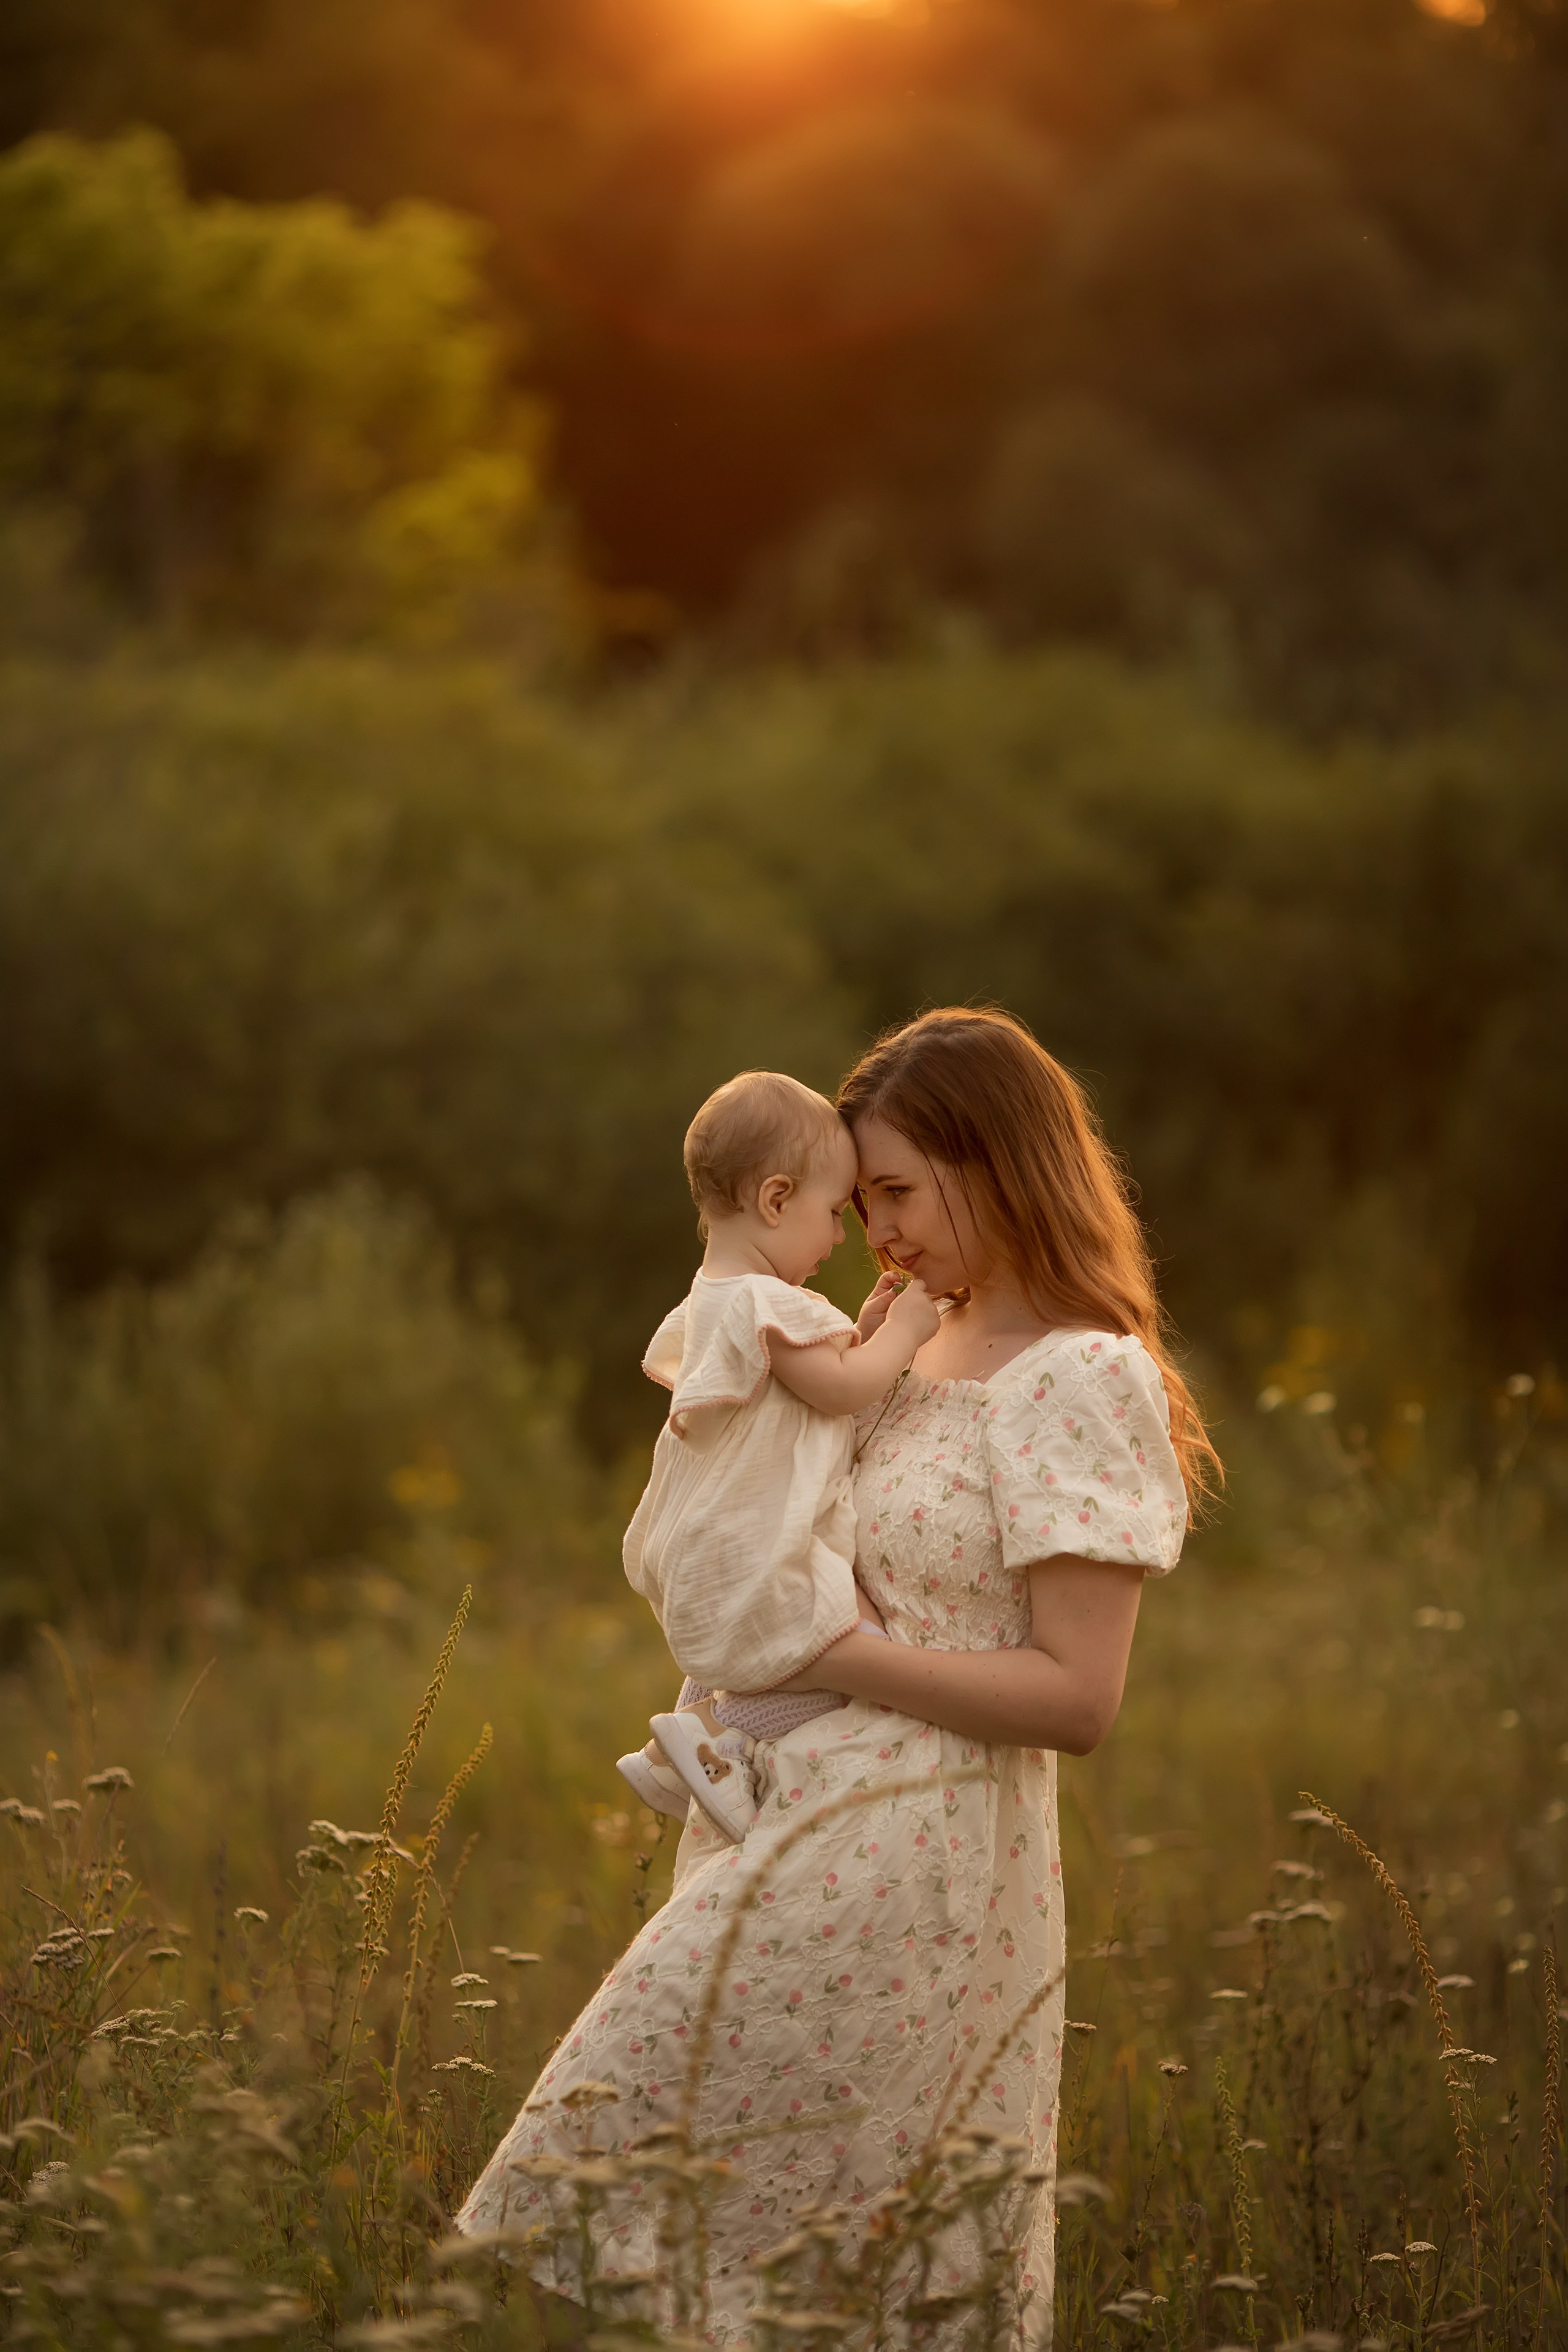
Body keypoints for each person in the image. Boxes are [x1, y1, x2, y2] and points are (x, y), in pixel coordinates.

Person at [456, 1008, 1220, 2349]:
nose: (876, 1231)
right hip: (775, 1821)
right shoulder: (905, 1348)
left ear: (997, 1164)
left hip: (919, 1864)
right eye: (856, 1200)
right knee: (668, 2219)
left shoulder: (1077, 1376)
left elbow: (1077, 1700)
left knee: (832, 2249)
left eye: (897, 1193)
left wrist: (836, 1657)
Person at [614, 1068, 940, 1841]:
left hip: (717, 1531)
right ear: (775, 1200)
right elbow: (838, 1390)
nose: (840, 1234)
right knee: (827, 1647)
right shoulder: (768, 1302)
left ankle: (686, 1734)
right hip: (764, 1536)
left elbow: (803, 1382)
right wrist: (906, 1332)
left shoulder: (713, 1296)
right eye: (832, 1211)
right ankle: (725, 1748)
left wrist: (859, 1328)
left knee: (751, 1628)